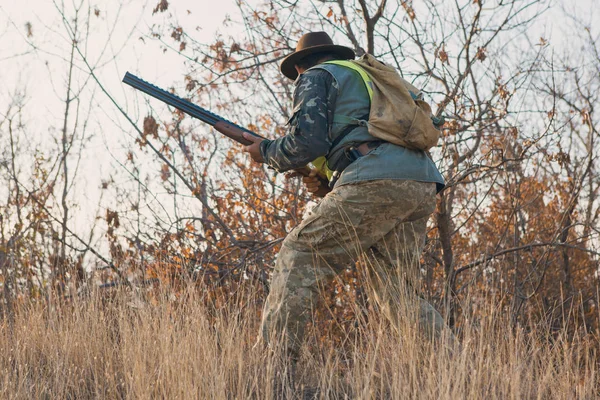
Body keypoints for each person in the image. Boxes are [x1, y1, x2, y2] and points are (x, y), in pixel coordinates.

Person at [241, 32, 450, 361]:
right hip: (420, 182)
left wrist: (266, 151)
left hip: (377, 178)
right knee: (397, 291)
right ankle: (454, 371)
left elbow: (305, 143)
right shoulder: (365, 75)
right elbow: (355, 138)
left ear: (298, 66)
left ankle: (272, 365)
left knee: (299, 252)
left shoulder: (315, 76)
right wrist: (330, 180)